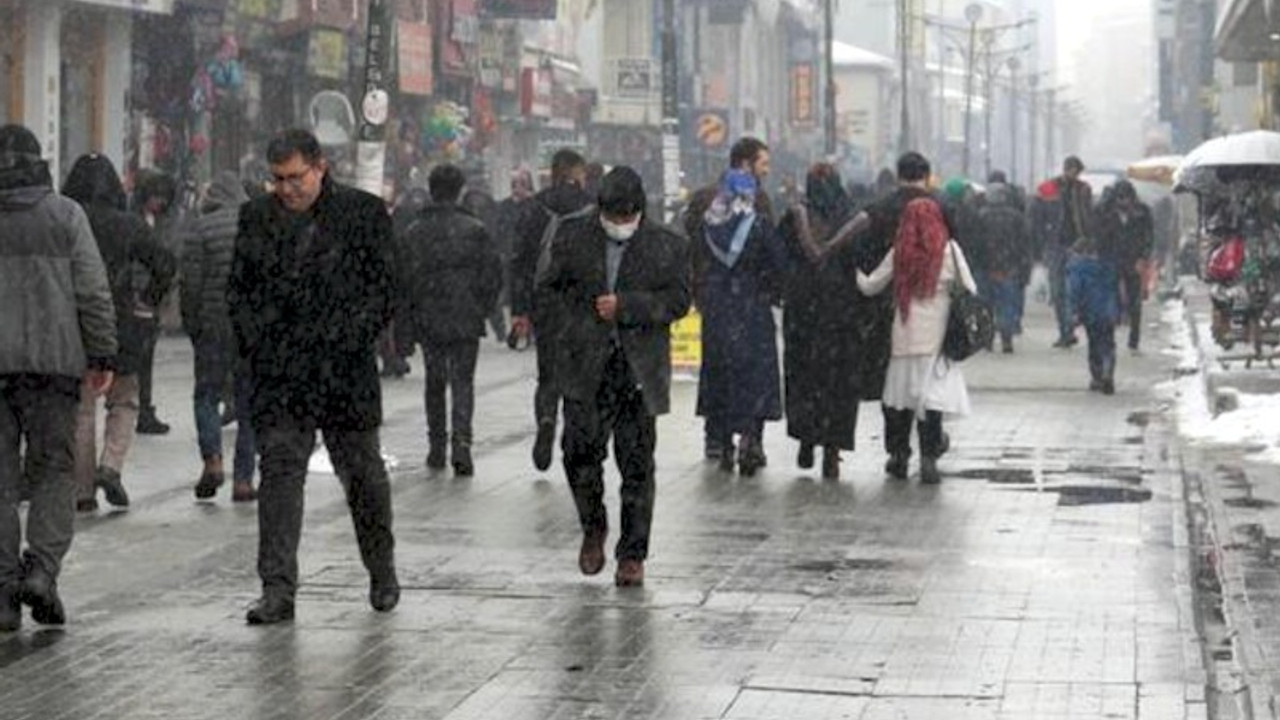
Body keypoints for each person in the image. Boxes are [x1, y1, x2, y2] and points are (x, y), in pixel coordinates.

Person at [228, 129, 399, 625]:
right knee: (280, 476)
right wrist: (255, 343)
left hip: (344, 369)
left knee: (363, 475)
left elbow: (386, 288)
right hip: (282, 374)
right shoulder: (255, 218)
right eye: (278, 179)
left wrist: (352, 333)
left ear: (320, 167)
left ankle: (381, 568)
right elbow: (239, 292)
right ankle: (277, 589)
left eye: (296, 177)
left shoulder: (363, 214)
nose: (287, 189)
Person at [539, 166, 690, 587]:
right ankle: (593, 526)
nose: (619, 226)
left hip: (637, 369)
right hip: (585, 364)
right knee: (579, 453)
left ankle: (632, 554)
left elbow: (678, 300)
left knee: (637, 464)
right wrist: (566, 327)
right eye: (612, 218)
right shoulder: (572, 235)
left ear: (640, 212)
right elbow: (549, 288)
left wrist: (629, 306)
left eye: (627, 219)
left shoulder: (668, 245)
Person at [0, 124, 117, 630]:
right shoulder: (67, 215)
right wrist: (103, 352)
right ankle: (42, 571)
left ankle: (3, 593)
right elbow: (92, 291)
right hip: (53, 371)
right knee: (54, 471)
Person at [819, 153, 954, 477]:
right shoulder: (942, 209)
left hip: (888, 311)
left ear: (898, 175)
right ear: (927, 174)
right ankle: (930, 451)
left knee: (894, 387)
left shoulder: (878, 210)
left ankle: (898, 451)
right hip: (937, 318)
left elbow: (862, 260)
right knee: (930, 387)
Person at [62, 154, 176, 512]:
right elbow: (165, 263)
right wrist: (148, 300)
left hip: (73, 322)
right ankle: (110, 466)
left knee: (81, 408)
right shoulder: (128, 225)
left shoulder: (65, 219)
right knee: (124, 400)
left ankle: (82, 492)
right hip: (120, 322)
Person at [857, 197, 977, 484]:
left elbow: (870, 286)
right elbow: (971, 287)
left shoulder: (901, 250)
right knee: (931, 401)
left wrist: (853, 271)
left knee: (900, 401)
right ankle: (929, 458)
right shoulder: (950, 250)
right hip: (938, 338)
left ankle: (899, 455)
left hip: (905, 334)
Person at [400, 164, 502, 476]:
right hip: (465, 315)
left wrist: (410, 314)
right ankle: (462, 443)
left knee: (434, 380)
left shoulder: (414, 231)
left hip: (429, 315)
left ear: (431, 190)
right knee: (462, 381)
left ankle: (436, 445)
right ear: (459, 190)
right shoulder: (475, 229)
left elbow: (404, 278)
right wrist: (482, 307)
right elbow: (493, 275)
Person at [690, 138, 784, 476]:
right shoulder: (757, 215)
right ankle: (751, 438)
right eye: (763, 163)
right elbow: (778, 262)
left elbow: (692, 252)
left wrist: (700, 291)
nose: (766, 170)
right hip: (752, 305)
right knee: (753, 373)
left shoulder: (706, 212)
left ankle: (720, 442)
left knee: (719, 370)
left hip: (716, 304)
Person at [779, 164, 866, 479]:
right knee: (839, 382)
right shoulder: (855, 220)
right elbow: (864, 263)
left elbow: (780, 260)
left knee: (804, 377)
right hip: (842, 313)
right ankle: (833, 449)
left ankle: (806, 438)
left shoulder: (795, 218)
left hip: (803, 313)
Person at [510, 150, 594, 473]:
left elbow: (519, 261)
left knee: (548, 374)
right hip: (581, 305)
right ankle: (571, 436)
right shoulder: (591, 207)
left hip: (545, 303)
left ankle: (546, 418)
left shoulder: (534, 207)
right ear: (576, 172)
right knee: (579, 375)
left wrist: (520, 310)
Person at [181, 170, 257, 503]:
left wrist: (193, 325)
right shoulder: (258, 226)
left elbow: (190, 284)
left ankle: (212, 459)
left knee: (207, 395)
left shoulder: (201, 228)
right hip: (250, 329)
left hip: (213, 326)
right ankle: (243, 480)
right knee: (249, 403)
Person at [132, 171, 181, 435]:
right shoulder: (133, 220)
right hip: (133, 294)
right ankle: (138, 407)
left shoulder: (167, 223)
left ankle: (144, 407)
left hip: (154, 296)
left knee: (146, 356)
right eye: (155, 197)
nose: (158, 203)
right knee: (136, 357)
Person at [1097, 180, 1154, 353]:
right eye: (1120, 199)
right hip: (1111, 258)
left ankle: (1134, 340)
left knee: (1135, 301)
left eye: (1127, 199)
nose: (1124, 203)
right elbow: (1098, 236)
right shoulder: (1106, 213)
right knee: (1109, 300)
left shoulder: (1142, 213)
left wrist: (1143, 258)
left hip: (1133, 259)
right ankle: (1109, 338)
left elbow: (1149, 237)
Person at [978, 183, 1034, 353]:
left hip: (986, 266)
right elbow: (1025, 244)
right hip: (1010, 267)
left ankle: (987, 339)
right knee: (1006, 304)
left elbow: (975, 244)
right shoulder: (1017, 218)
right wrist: (1024, 267)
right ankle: (1006, 338)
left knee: (986, 304)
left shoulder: (981, 216)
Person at [1046, 157, 1094, 348]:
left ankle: (1070, 325)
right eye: (1071, 169)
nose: (1073, 173)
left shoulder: (1083, 189)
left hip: (1077, 244)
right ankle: (1065, 330)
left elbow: (1088, 216)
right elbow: (1039, 212)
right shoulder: (1051, 188)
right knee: (1058, 291)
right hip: (1056, 243)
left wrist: (1087, 239)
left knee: (1072, 290)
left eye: (1076, 170)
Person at [1066, 236, 1120, 395]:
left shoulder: (1077, 269)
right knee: (1108, 343)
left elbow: (1074, 292)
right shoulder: (1107, 267)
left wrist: (1074, 312)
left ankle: (1097, 377)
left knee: (1094, 344)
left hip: (1090, 312)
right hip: (1107, 310)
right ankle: (1108, 370)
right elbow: (1115, 289)